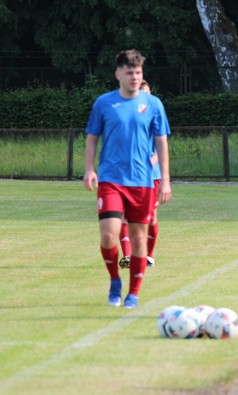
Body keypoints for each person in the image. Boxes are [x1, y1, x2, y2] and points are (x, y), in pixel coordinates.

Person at [83, 50, 172, 309]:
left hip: (143, 182)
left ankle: (133, 294)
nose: (134, 77)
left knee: (137, 239)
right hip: (111, 179)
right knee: (109, 234)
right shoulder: (104, 103)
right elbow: (91, 138)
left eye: (138, 72)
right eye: (130, 72)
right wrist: (89, 169)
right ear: (118, 74)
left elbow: (162, 142)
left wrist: (165, 180)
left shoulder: (153, 104)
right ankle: (114, 281)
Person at [119, 79, 161, 269]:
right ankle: (128, 256)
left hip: (151, 177)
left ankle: (149, 256)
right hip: (128, 176)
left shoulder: (155, 115)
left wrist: (148, 164)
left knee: (150, 217)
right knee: (124, 216)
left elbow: (161, 147)